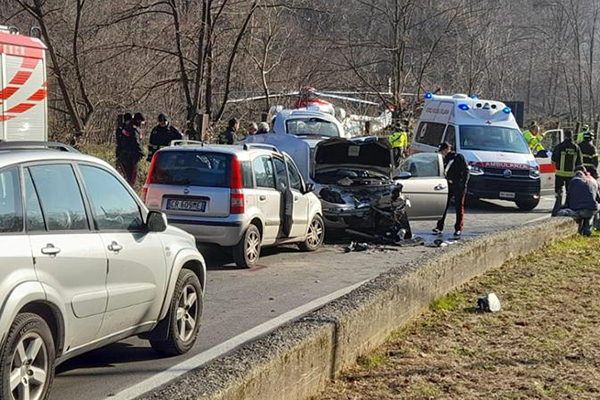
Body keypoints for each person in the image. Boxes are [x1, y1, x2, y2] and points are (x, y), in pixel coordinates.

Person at [433, 142, 469, 237]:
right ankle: (439, 227)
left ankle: (458, 228)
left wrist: (463, 184)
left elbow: (466, 171)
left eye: (443, 151)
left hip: (458, 185)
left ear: (447, 150)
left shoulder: (458, 157)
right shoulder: (442, 160)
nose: (442, 153)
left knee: (458, 207)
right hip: (447, 185)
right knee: (443, 206)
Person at [551, 129, 582, 215]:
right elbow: (579, 163)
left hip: (559, 174)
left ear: (565, 136)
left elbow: (553, 159)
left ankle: (557, 209)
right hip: (571, 175)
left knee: (558, 192)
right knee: (569, 192)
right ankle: (568, 208)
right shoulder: (576, 148)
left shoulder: (559, 146)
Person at [565, 166, 599, 236]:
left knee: (586, 209)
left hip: (576, 209)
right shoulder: (592, 180)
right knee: (593, 209)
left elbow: (568, 198)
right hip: (589, 210)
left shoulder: (572, 182)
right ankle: (589, 230)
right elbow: (598, 198)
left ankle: (583, 231)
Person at [118, 112, 145, 186]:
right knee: (132, 178)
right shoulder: (133, 129)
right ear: (138, 121)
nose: (142, 124)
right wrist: (141, 152)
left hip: (125, 155)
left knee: (128, 176)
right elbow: (136, 142)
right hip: (131, 156)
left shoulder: (127, 126)